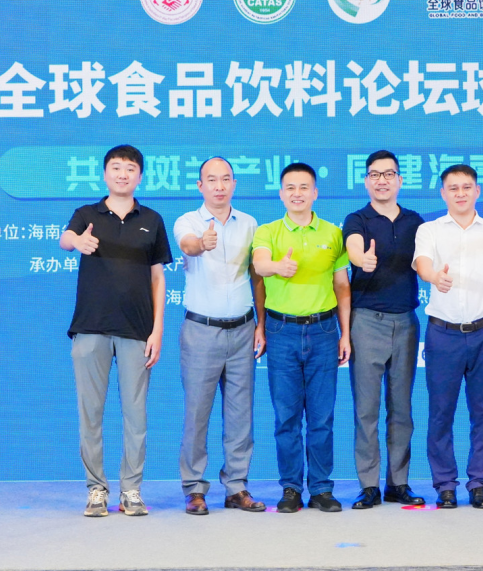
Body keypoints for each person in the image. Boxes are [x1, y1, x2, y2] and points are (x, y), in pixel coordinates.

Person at [60, 144, 172, 517]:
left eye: (130, 168)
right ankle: (96, 489)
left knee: (136, 415)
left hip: (137, 330)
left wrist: (157, 330)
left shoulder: (152, 219)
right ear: (105, 173)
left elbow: (158, 277)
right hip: (90, 327)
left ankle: (131, 490)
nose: (123, 174)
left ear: (140, 176)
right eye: (116, 167)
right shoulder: (86, 215)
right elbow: (65, 239)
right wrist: (77, 241)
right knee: (90, 413)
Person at [252, 162, 351, 513]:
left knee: (322, 417)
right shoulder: (267, 232)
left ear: (315, 193)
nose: (297, 193)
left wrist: (345, 333)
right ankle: (291, 488)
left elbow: (342, 285)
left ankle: (321, 488)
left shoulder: (334, 234)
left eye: (304, 187)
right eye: (290, 188)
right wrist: (277, 267)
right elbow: (259, 265)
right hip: (281, 331)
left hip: (324, 331)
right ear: (281, 194)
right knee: (287, 417)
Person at [174, 157, 267, 516]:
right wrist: (202, 242)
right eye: (211, 180)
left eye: (225, 179)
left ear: (234, 183)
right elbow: (188, 245)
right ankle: (194, 489)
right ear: (200, 185)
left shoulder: (250, 224)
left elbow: (256, 277)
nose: (219, 186)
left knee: (241, 414)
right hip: (202, 331)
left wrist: (260, 324)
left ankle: (237, 487)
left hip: (243, 329)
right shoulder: (188, 221)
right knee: (197, 413)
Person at [413, 164, 483, 510]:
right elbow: (422, 264)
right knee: (441, 412)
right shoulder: (429, 230)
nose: (460, 193)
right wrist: (434, 277)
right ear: (443, 193)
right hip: (443, 333)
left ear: (477, 191)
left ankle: (479, 483)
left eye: (466, 187)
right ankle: (445, 485)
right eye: (453, 188)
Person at [342, 150, 426, 509]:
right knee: (366, 409)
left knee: (402, 408)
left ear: (399, 180)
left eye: (388, 174)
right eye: (375, 175)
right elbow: (353, 248)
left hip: (406, 322)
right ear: (366, 181)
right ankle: (368, 485)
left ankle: (398, 483)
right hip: (366, 321)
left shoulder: (416, 221)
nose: (382, 180)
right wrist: (362, 259)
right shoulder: (357, 219)